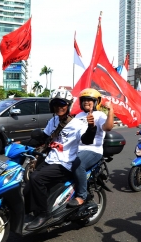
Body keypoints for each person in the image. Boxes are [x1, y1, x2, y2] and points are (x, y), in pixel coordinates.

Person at [24, 90, 95, 230]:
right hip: (51, 159)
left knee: (36, 179)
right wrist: (20, 144)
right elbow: (42, 138)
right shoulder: (54, 120)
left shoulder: (77, 124)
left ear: (68, 105)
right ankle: (30, 211)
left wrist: (92, 127)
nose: (59, 107)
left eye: (62, 104)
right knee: (28, 182)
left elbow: (87, 140)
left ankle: (43, 215)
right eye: (55, 104)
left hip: (65, 163)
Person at [68, 88, 114, 208]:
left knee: (78, 164)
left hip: (93, 150)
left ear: (96, 102)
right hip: (76, 149)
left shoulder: (99, 115)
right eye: (84, 100)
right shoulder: (78, 115)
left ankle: (81, 195)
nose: (86, 102)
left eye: (89, 100)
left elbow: (108, 127)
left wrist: (111, 110)